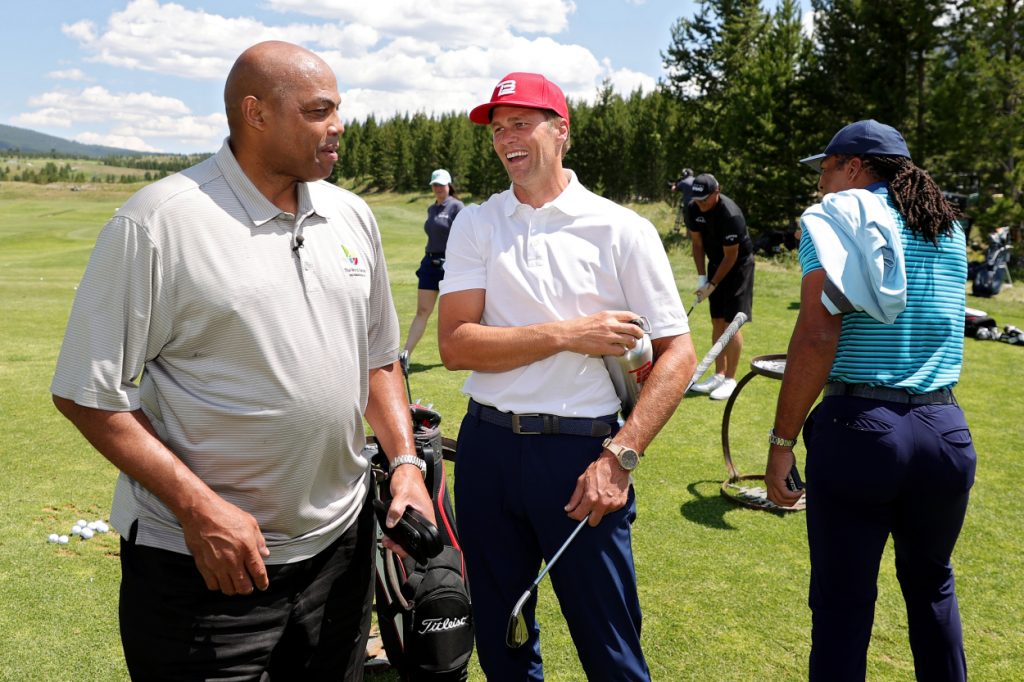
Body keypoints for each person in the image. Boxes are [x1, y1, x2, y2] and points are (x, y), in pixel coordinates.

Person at [49, 40, 434, 681]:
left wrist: (405, 465)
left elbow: (378, 360)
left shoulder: (351, 214)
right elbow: (88, 393)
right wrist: (200, 510)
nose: (338, 125)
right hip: (206, 565)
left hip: (341, 555)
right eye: (318, 111)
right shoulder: (158, 222)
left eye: (338, 109)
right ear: (255, 113)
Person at [437, 71, 696, 681]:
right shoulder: (477, 224)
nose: (506, 139)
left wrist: (621, 458)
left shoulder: (620, 227)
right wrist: (568, 334)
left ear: (562, 133)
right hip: (488, 449)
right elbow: (456, 344)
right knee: (504, 641)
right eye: (498, 130)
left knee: (610, 650)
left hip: (584, 454)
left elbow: (677, 354)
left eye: (522, 124)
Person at [765, 120, 975, 681]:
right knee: (933, 586)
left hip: (861, 427)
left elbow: (816, 334)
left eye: (826, 170)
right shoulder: (948, 228)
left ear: (854, 167)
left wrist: (781, 442)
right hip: (944, 427)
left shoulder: (834, 221)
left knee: (842, 602)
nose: (821, 185)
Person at [685, 173, 755, 400]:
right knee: (716, 321)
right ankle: (718, 374)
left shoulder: (730, 214)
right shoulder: (693, 208)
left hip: (739, 266)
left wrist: (713, 284)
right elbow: (697, 244)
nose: (701, 204)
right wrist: (702, 279)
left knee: (731, 323)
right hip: (715, 262)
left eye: (705, 199)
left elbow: (731, 256)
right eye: (698, 200)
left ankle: (730, 380)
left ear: (717, 192)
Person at [399, 168, 464, 371]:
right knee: (422, 311)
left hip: (450, 266)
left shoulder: (457, 207)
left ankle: (467, 354)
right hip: (430, 263)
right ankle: (405, 355)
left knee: (455, 315)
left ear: (449, 185)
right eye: (435, 185)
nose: (438, 188)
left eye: (441, 185)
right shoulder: (432, 209)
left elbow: (464, 236)